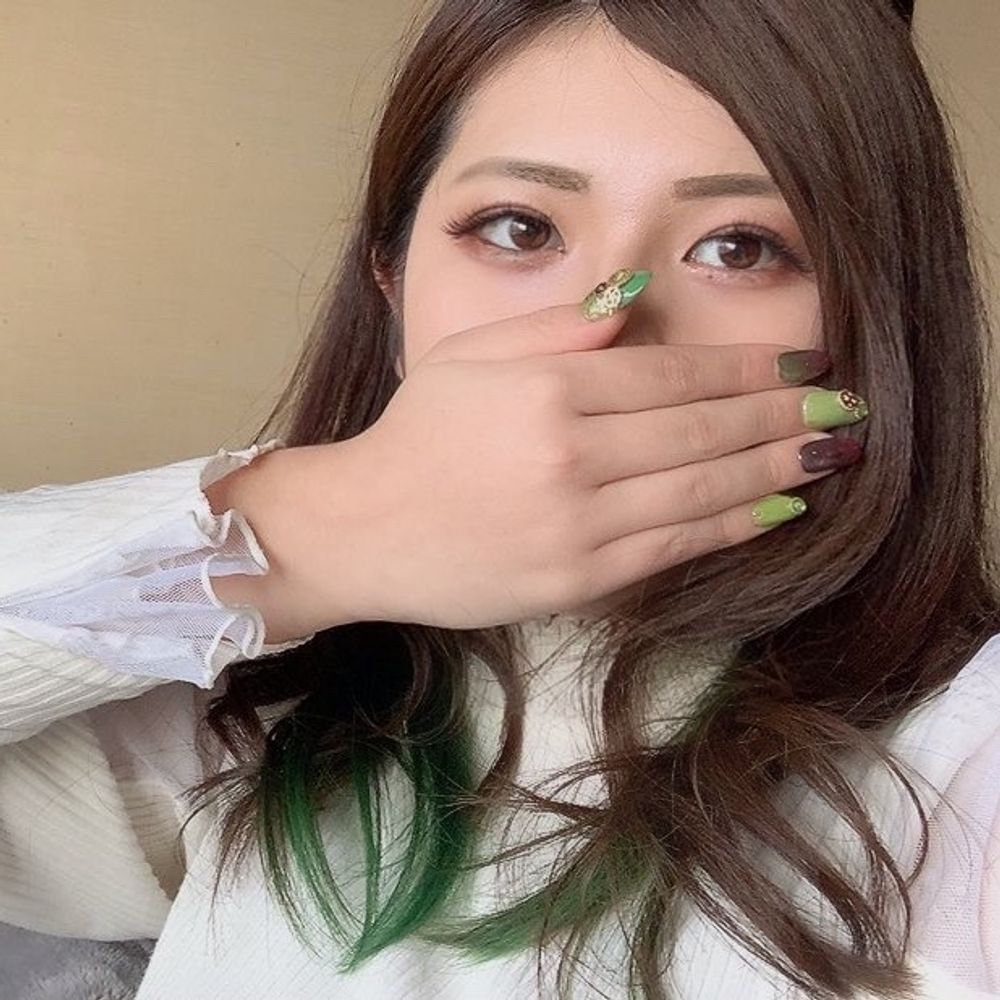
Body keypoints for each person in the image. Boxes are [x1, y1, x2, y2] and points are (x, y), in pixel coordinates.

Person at [1, 0, 997, 998]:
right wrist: (319, 528)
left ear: (878, 323)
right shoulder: (243, 716)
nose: (607, 331)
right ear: (393, 287)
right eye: (520, 229)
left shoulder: (964, 761)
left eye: (740, 248)